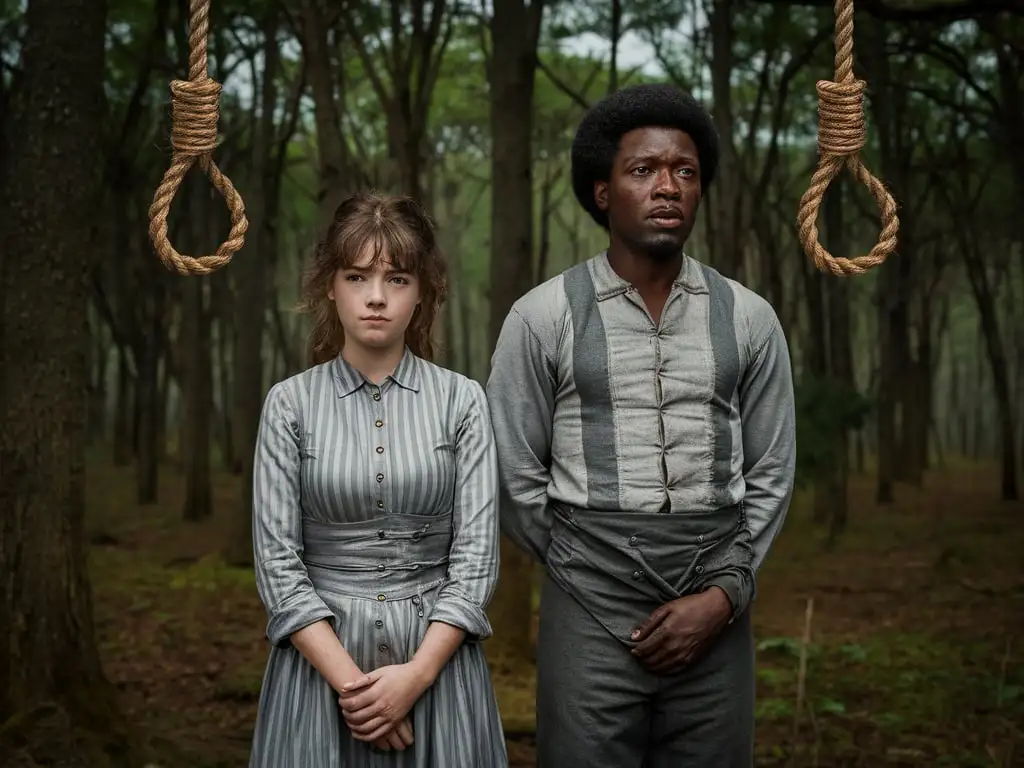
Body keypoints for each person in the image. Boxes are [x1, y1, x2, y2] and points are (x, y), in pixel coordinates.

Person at [486, 83, 797, 767]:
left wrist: (724, 594)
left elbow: (772, 470)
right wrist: (586, 567)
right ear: (603, 193)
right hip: (586, 604)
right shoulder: (541, 317)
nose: (668, 187)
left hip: (718, 608)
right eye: (644, 170)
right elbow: (511, 470)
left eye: (685, 172)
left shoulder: (749, 319)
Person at [249, 192, 508, 767]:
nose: (375, 297)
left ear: (423, 292)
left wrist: (415, 678)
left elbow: (475, 559)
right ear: (329, 286)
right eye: (356, 275)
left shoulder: (462, 401)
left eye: (396, 279)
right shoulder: (288, 405)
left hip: (439, 669)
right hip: (317, 674)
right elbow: (277, 566)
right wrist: (357, 691)